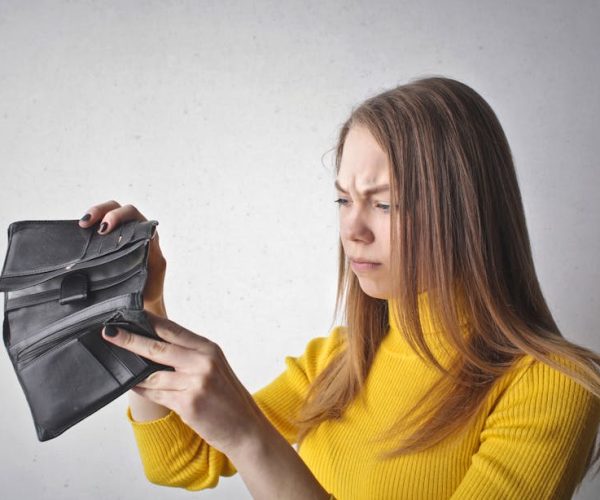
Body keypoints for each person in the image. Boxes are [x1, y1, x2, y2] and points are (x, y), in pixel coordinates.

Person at [78, 76, 600, 499]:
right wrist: (142, 304)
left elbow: (230, 444)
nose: (352, 229)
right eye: (343, 200)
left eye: (385, 202)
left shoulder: (553, 386)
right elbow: (181, 461)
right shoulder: (341, 359)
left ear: (466, 213)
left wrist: (249, 433)